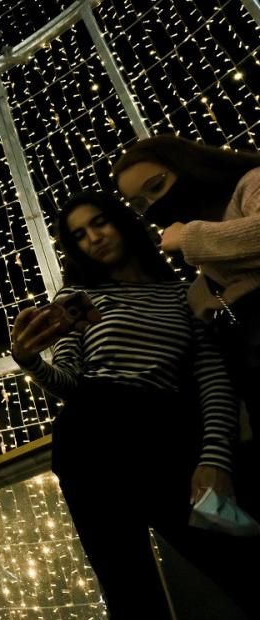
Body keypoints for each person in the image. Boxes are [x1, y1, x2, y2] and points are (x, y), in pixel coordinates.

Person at [11, 191, 256, 620]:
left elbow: (213, 383)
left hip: (165, 437)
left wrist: (214, 458)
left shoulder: (184, 292)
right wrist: (28, 361)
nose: (93, 238)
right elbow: (71, 383)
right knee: (131, 600)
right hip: (92, 437)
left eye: (99, 223)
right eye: (79, 235)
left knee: (241, 566)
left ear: (122, 222)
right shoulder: (78, 301)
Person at [113, 135, 260, 441]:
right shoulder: (207, 241)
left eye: (155, 187)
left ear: (186, 166)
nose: (154, 206)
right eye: (142, 204)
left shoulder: (251, 183)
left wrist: (190, 237)